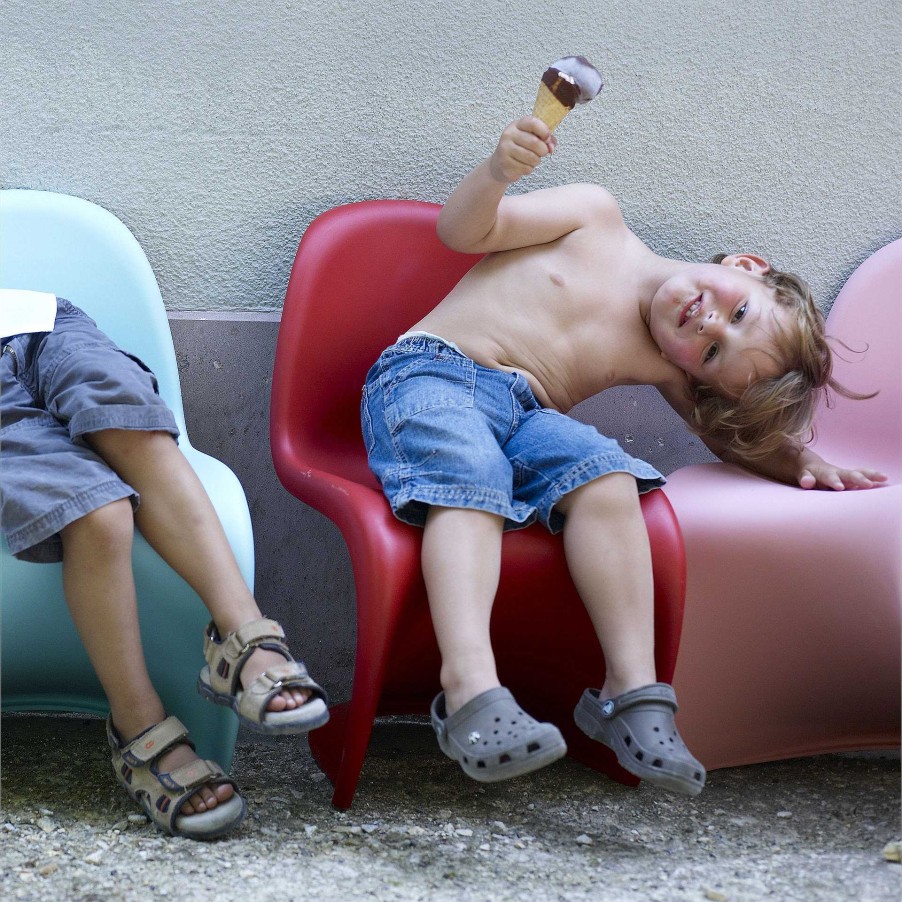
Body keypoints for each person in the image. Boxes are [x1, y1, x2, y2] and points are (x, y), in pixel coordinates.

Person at [360, 117, 887, 796]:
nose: (708, 328)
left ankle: (632, 694)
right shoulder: (594, 218)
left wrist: (796, 464)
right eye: (740, 314)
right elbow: (462, 233)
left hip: (527, 416)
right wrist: (498, 171)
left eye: (713, 355)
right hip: (431, 376)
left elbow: (721, 434)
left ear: (691, 374)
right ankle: (469, 690)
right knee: (474, 474)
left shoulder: (666, 361)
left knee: (607, 476)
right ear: (748, 268)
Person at [0, 293, 329, 839]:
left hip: (40, 321)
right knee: (98, 515)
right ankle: (139, 724)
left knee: (131, 426)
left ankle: (243, 636)